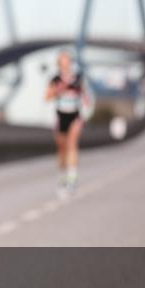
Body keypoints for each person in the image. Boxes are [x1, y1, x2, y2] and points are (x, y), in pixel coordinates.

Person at [45, 51, 90, 197]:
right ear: (59, 65)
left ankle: (72, 179)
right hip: (61, 116)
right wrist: (58, 91)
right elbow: (47, 97)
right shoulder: (55, 79)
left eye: (68, 62)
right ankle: (62, 179)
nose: (66, 65)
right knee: (62, 149)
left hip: (75, 115)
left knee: (72, 144)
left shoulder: (77, 78)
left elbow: (85, 96)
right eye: (63, 62)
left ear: (71, 63)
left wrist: (85, 103)